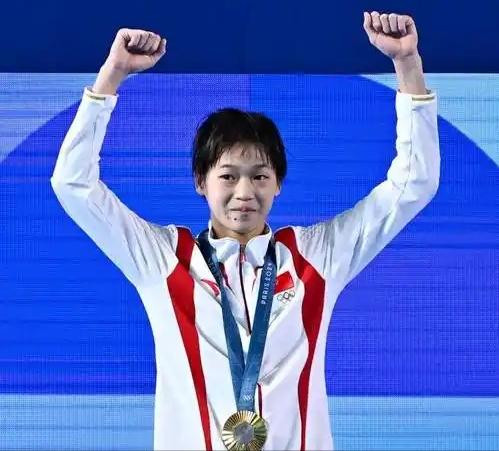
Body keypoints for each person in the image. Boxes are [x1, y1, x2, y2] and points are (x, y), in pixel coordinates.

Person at [50, 11, 440, 451]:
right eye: (228, 176)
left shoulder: (316, 257)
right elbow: (73, 184)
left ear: (278, 183)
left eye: (259, 176)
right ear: (201, 182)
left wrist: (407, 64)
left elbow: (413, 183)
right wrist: (112, 75)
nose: (244, 193)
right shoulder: (162, 259)